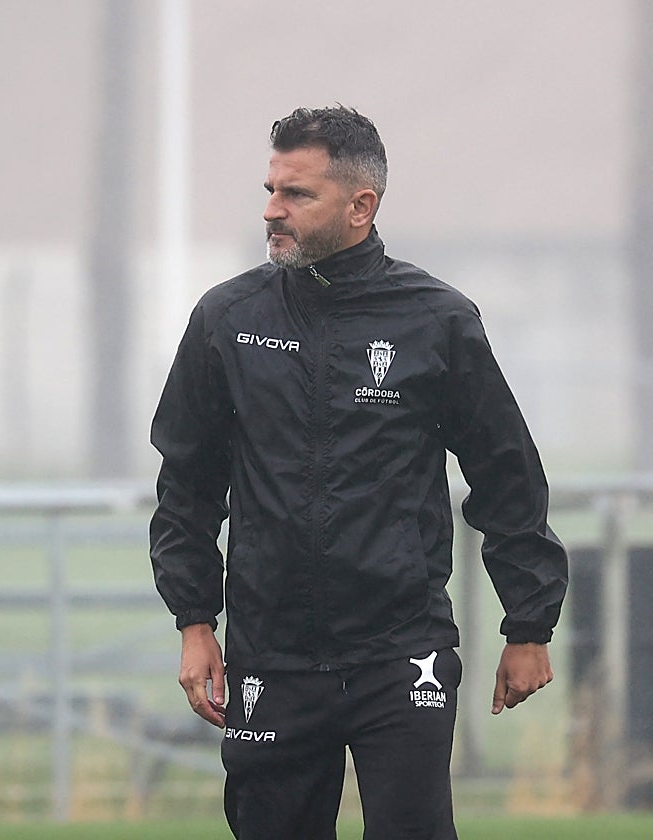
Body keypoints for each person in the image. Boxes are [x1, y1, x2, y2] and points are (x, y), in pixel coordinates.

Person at [149, 106, 568, 839]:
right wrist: (194, 621)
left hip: (402, 651)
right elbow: (186, 487)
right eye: (271, 189)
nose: (272, 210)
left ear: (360, 206)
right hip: (270, 654)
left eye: (297, 194)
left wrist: (529, 624)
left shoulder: (436, 320)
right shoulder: (227, 318)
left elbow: (506, 474)